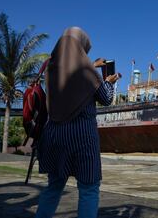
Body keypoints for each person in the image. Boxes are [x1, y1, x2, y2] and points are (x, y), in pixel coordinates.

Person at [35, 27, 120, 218]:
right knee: (89, 188)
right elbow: (105, 98)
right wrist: (109, 82)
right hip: (81, 137)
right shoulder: (87, 71)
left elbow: (70, 78)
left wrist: (91, 64)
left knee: (54, 186)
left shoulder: (52, 68)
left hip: (54, 135)